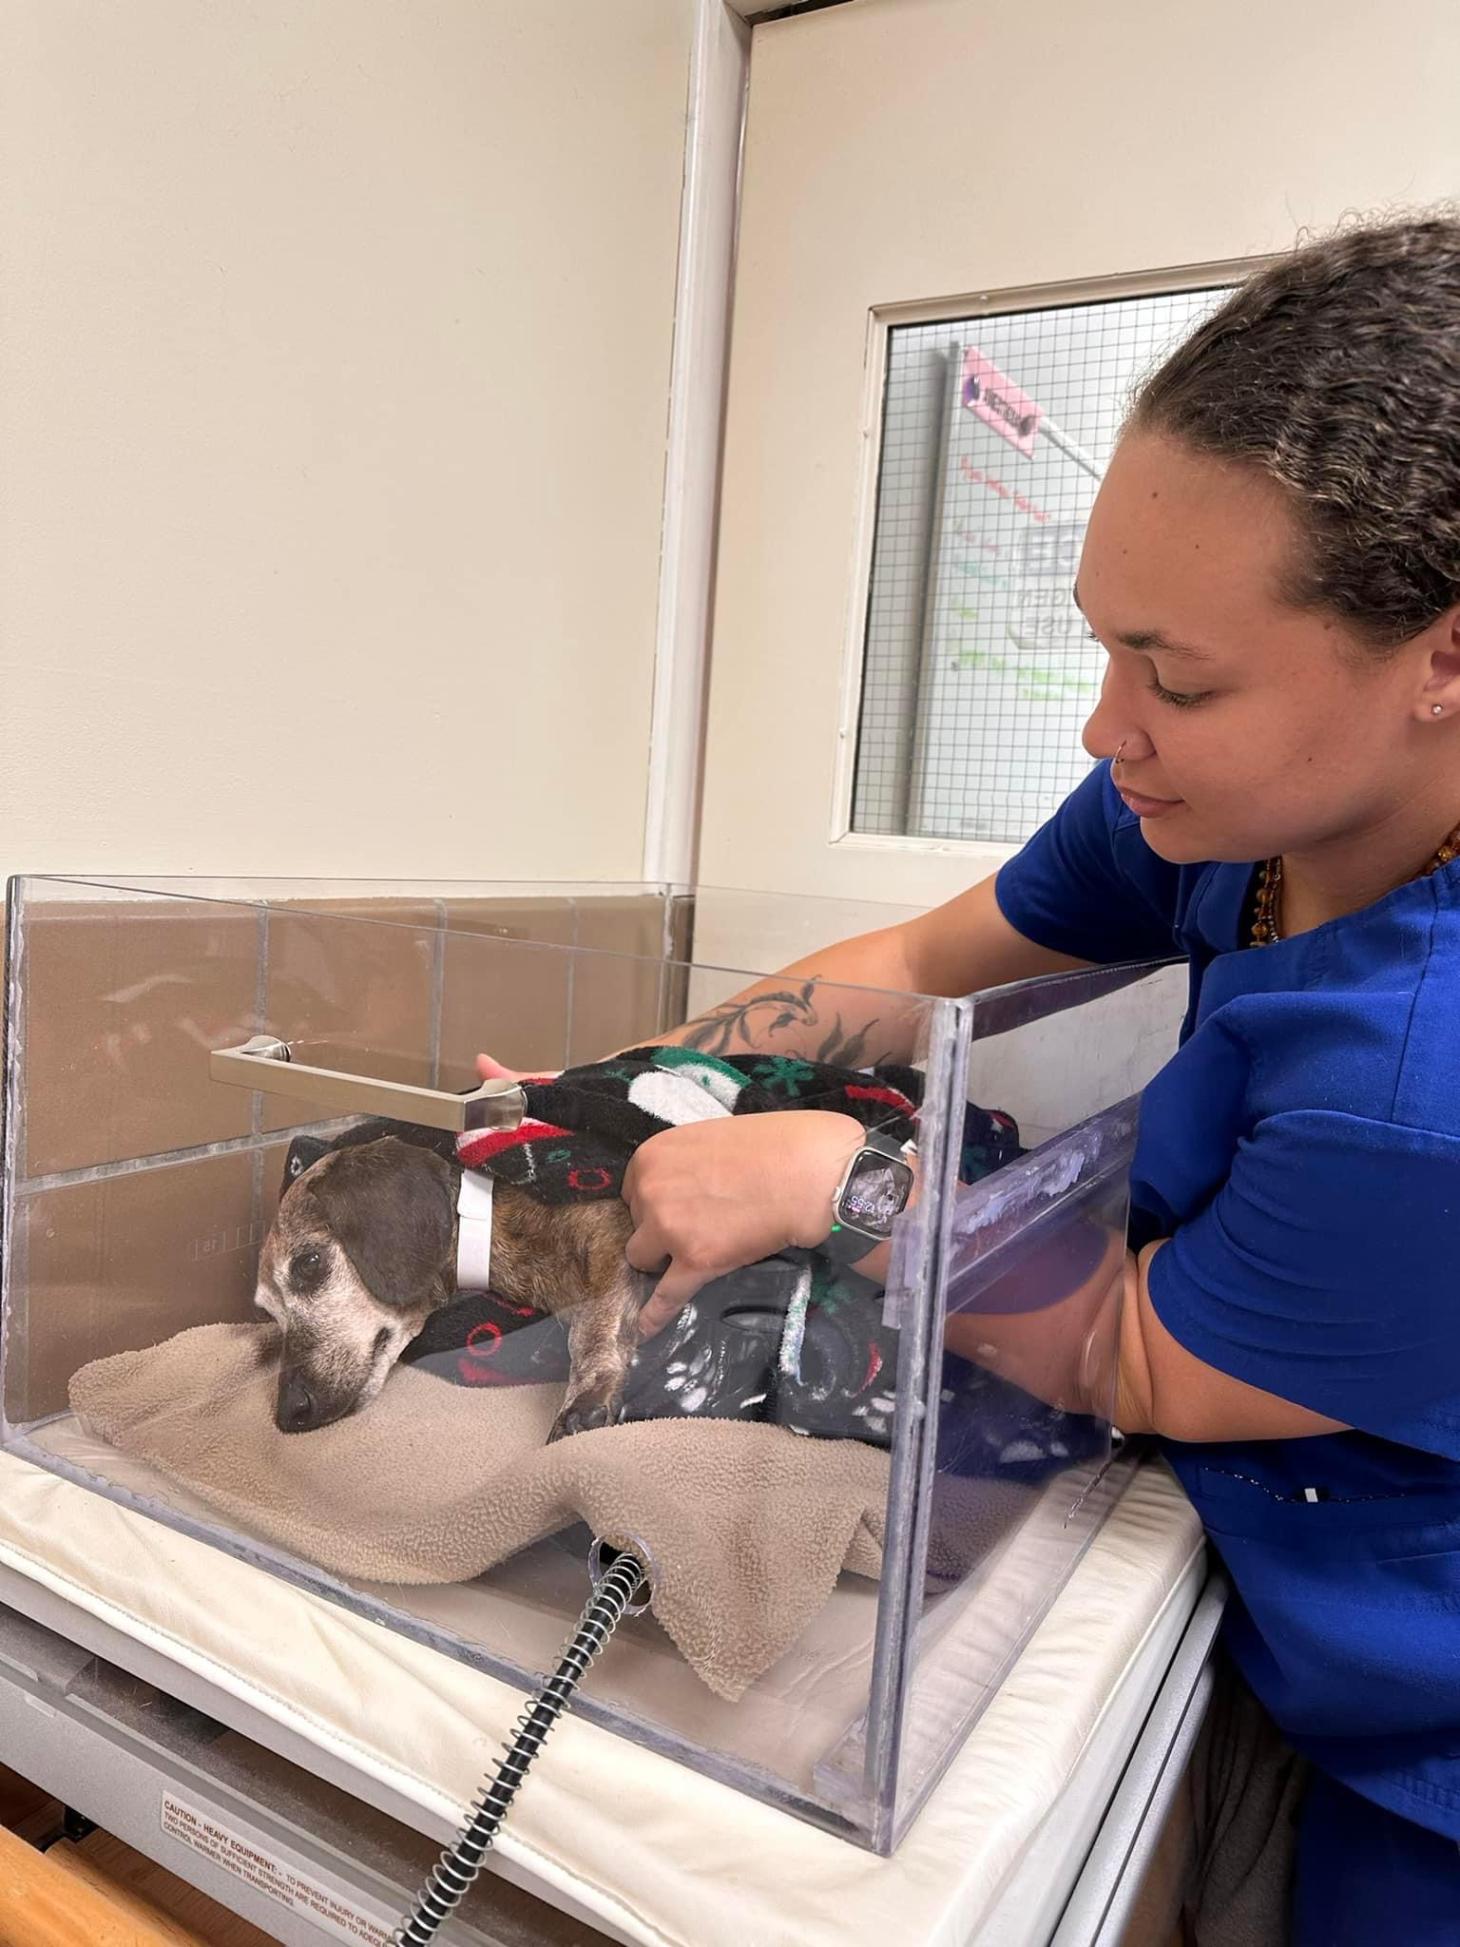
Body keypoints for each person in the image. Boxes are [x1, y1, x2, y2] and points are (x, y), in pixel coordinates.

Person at [482, 214, 1460, 1940]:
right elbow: (931, 960)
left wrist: (845, 1190)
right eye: (1107, 644)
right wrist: (630, 1082)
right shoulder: (1224, 808)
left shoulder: (1418, 1079)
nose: (1105, 726)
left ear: (1442, 660)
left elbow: (1133, 1352)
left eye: (1177, 677)